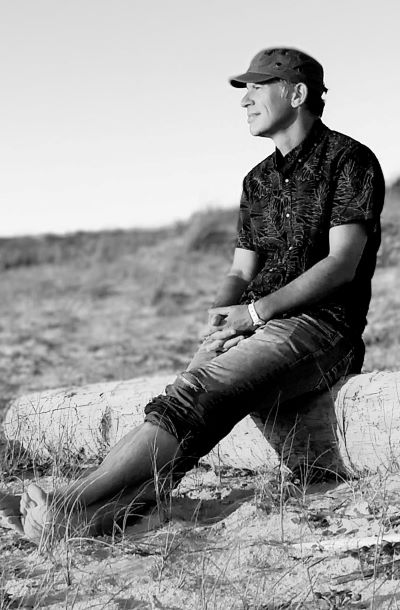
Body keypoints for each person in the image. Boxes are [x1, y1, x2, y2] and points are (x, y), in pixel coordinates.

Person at [0, 47, 385, 544]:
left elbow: (341, 264)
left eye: (257, 87)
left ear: (297, 93)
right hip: (254, 324)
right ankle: (94, 521)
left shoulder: (350, 160)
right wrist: (222, 315)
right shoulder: (257, 181)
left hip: (321, 330)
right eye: (244, 90)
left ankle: (71, 498)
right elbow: (241, 269)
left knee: (197, 393)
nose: (244, 100)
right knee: (186, 406)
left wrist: (255, 312)